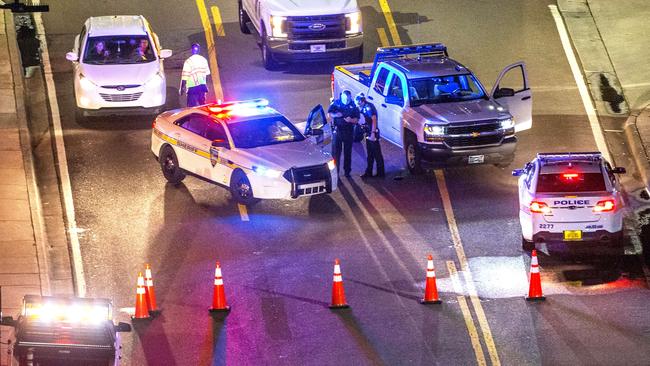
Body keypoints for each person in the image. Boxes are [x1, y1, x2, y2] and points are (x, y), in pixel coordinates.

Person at [328, 90, 359, 178]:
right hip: (338, 131)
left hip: (349, 132)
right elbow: (329, 114)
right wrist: (336, 115)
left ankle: (347, 172)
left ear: (350, 97)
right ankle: (335, 173)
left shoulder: (353, 105)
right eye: (344, 99)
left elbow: (357, 119)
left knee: (347, 153)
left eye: (348, 99)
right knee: (336, 154)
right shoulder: (336, 103)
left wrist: (351, 120)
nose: (346, 101)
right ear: (342, 97)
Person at [356, 93, 385, 178]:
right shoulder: (365, 107)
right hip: (369, 133)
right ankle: (369, 172)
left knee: (377, 154)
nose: (358, 104)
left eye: (358, 102)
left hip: (372, 134)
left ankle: (381, 173)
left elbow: (374, 119)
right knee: (370, 154)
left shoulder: (368, 107)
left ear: (362, 101)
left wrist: (372, 134)